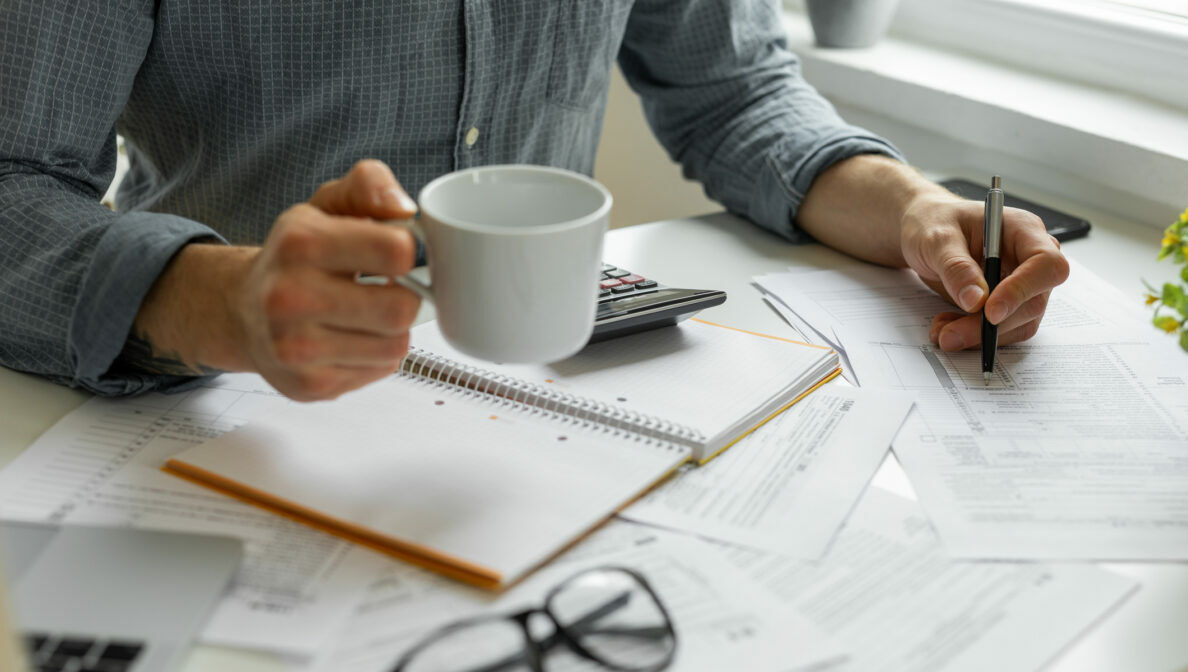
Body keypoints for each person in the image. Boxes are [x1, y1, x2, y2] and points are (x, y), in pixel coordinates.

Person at [0, 0, 1067, 402]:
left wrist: (912, 208)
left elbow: (732, 87)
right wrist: (222, 301)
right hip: (217, 410)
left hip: (565, 420)